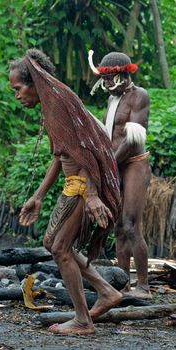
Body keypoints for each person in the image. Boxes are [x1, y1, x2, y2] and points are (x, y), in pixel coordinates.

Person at [9, 49, 122, 335]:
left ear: (34, 80)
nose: (17, 95)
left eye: (18, 88)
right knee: (53, 244)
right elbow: (62, 156)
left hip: (83, 186)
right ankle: (105, 291)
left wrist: (94, 195)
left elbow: (89, 150)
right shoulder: (53, 104)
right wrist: (38, 195)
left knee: (59, 248)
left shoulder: (59, 103)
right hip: (75, 184)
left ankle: (83, 320)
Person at [88, 50, 152, 300]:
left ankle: (144, 286)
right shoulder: (112, 99)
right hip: (116, 166)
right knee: (118, 227)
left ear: (124, 76)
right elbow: (108, 136)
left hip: (134, 164)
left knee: (131, 225)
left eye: (110, 79)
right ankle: (123, 283)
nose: (106, 85)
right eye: (104, 80)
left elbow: (134, 139)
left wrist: (108, 164)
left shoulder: (139, 96)